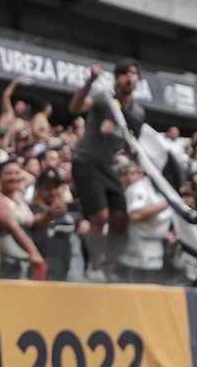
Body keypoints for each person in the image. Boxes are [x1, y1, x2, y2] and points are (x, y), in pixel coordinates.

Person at [69, 59, 143, 280]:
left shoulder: (138, 112)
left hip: (109, 166)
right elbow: (75, 107)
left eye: (133, 73)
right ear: (117, 78)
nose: (129, 77)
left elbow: (131, 146)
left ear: (138, 79)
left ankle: (108, 266)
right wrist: (90, 81)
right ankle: (94, 266)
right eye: (124, 73)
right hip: (86, 161)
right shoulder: (104, 99)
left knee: (120, 219)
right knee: (100, 216)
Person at [0, 160, 46, 279]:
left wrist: (49, 214)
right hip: (7, 264)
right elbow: (12, 227)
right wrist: (34, 253)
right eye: (8, 173)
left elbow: (32, 222)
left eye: (17, 173)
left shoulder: (17, 197)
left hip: (23, 262)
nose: (14, 177)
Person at [30, 168, 88, 281]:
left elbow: (83, 222)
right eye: (48, 188)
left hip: (72, 268)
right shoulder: (34, 209)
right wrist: (50, 214)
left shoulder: (70, 209)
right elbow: (37, 223)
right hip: (46, 268)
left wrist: (85, 223)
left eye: (56, 187)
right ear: (40, 190)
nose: (53, 192)